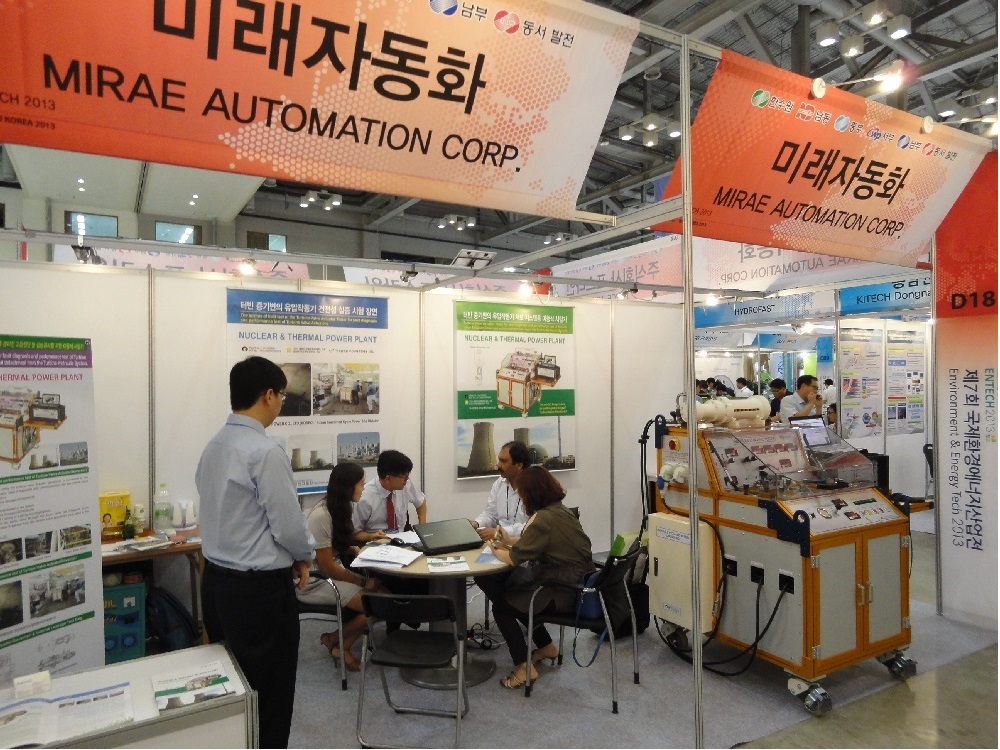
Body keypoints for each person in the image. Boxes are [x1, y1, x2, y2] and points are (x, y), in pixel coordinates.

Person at [196, 356, 315, 749]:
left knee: (232, 688)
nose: (281, 403)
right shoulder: (265, 452)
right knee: (271, 694)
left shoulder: (214, 446)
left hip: (216, 584)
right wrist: (304, 556)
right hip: (259, 594)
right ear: (268, 396)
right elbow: (289, 525)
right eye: (281, 396)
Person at [488, 466, 594, 690]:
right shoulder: (559, 511)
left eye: (521, 493)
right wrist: (508, 541)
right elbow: (534, 542)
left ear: (530, 494)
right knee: (515, 594)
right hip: (576, 584)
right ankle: (546, 647)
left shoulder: (543, 519)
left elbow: (513, 559)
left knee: (503, 607)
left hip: (562, 590)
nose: (521, 498)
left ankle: (524, 669)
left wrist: (494, 547)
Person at [297, 462, 388, 672]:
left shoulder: (340, 507)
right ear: (348, 486)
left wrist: (354, 546)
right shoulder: (321, 516)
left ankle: (336, 641)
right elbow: (327, 566)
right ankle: (338, 643)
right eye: (361, 484)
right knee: (379, 604)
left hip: (332, 574)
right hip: (315, 581)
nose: (363, 488)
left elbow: (336, 542)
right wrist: (362, 582)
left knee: (385, 596)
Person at [352, 449, 427, 538]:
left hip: (403, 538)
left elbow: (421, 502)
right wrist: (371, 537)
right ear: (388, 479)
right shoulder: (363, 497)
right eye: (404, 476)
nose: (407, 479)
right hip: (376, 541)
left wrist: (422, 529)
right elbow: (355, 533)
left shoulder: (406, 484)